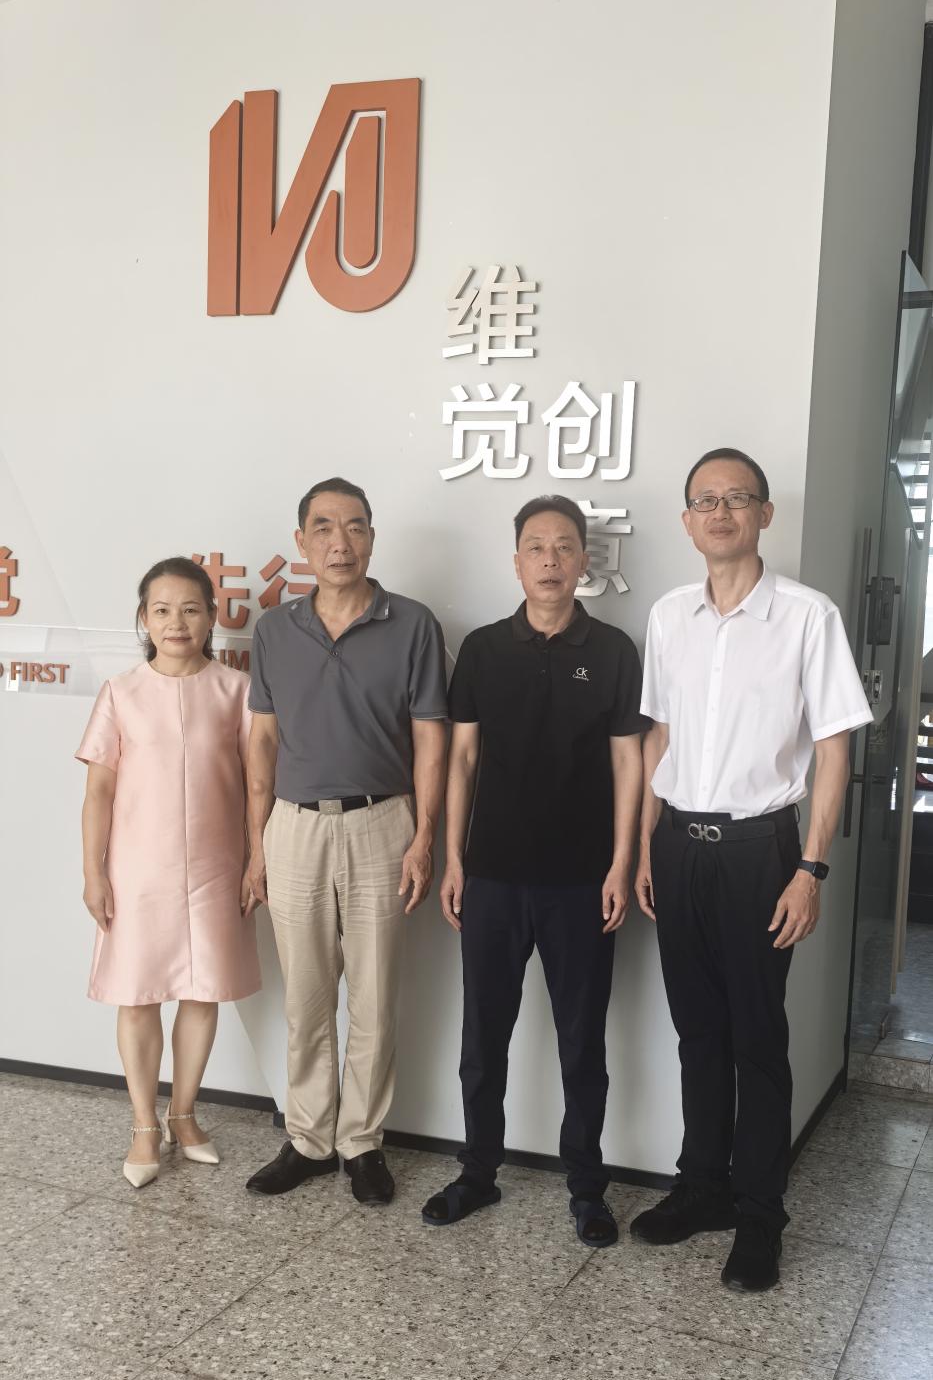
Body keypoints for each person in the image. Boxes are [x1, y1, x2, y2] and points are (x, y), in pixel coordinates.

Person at [631, 448, 872, 1290]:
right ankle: (701, 1188)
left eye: (737, 498)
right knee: (697, 1030)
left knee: (756, 1037)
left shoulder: (806, 616)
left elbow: (834, 750)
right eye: (705, 500)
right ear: (686, 520)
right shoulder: (667, 615)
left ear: (764, 514)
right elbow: (658, 736)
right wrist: (645, 843)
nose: (721, 512)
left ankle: (759, 1214)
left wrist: (810, 868)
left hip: (759, 851)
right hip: (676, 846)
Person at [424, 495, 645, 1246]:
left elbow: (629, 764)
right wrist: (454, 858)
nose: (550, 560)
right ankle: (477, 1173)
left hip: (582, 881)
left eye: (564, 547)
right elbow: (461, 760)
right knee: (483, 1037)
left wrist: (621, 862)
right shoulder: (484, 649)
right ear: (515, 561)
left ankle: (587, 1187)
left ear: (584, 561)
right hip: (491, 876)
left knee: (582, 1043)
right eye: (535, 547)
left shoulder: (613, 650)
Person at [244, 477, 448, 1206]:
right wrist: (255, 846)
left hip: (382, 823)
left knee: (374, 995)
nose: (341, 542)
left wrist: (425, 835)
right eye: (324, 528)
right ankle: (308, 1138)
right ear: (301, 541)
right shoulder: (274, 630)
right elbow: (261, 742)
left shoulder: (413, 623)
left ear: (371, 537)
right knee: (305, 999)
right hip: (293, 827)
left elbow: (431, 739)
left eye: (355, 526)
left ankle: (362, 1142)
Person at [76, 557, 260, 1188]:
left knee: (202, 990)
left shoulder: (236, 691)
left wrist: (256, 860)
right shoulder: (120, 692)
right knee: (138, 995)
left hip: (216, 867)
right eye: (161, 610)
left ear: (211, 617)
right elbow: (99, 792)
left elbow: (257, 785)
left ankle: (184, 1115)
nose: (176, 622)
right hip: (137, 870)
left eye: (189, 609)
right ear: (144, 619)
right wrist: (93, 872)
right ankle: (143, 1126)